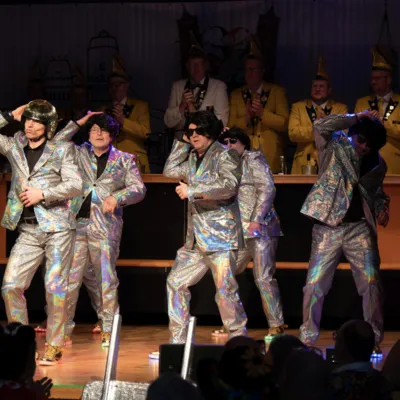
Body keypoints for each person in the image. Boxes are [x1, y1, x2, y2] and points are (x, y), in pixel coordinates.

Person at [0, 100, 95, 365]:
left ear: (49, 126)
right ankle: (22, 344)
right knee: (11, 285)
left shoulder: (62, 149)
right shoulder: (14, 145)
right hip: (28, 230)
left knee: (54, 288)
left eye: (37, 121)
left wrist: (43, 193)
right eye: (28, 120)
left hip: (58, 228)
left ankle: (54, 345)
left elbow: (76, 184)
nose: (30, 125)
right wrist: (9, 115)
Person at [299, 111, 389, 355]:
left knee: (371, 283)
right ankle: (307, 339)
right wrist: (356, 116)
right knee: (315, 284)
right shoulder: (334, 143)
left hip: (359, 228)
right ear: (353, 134)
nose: (363, 147)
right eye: (361, 140)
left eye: (369, 145)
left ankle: (373, 338)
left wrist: (382, 207)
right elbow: (320, 124)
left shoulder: (378, 163)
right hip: (328, 226)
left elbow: (376, 193)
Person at [53, 113, 146, 346]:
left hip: (105, 226)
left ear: (112, 135)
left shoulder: (125, 159)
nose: (98, 133)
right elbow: (56, 142)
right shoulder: (78, 153)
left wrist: (118, 196)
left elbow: (138, 189)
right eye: (94, 129)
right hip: (75, 224)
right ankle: (62, 331)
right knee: (69, 279)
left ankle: (108, 328)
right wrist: (80, 122)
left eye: (103, 130)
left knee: (106, 279)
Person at [161, 110, 247, 350]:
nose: (194, 135)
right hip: (195, 240)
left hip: (220, 237)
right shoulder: (191, 157)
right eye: (190, 132)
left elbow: (229, 186)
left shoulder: (226, 154)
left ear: (210, 132)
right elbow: (169, 170)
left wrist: (192, 191)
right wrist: (181, 141)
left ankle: (238, 341)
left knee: (225, 291)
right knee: (175, 282)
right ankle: (178, 343)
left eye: (199, 131)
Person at [212, 127, 285, 338]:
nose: (229, 146)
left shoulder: (254, 160)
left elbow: (267, 189)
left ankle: (276, 324)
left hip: (261, 229)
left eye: (233, 141)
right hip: (238, 231)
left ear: (244, 143)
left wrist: (256, 219)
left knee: (263, 277)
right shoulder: (225, 164)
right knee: (224, 275)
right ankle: (233, 323)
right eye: (225, 142)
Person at [229, 37, 289, 173]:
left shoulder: (276, 92)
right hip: (243, 156)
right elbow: (230, 127)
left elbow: (284, 124)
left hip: (270, 156)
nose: (249, 73)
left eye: (253, 69)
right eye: (247, 69)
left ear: (262, 71)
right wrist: (246, 118)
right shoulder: (236, 94)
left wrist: (262, 114)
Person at [289, 56, 348, 174]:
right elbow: (293, 133)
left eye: (321, 86)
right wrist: (316, 128)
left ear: (329, 90)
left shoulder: (340, 108)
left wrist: (325, 126)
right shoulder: (298, 107)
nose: (317, 89)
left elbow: (344, 134)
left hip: (331, 163)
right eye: (315, 86)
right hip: (303, 164)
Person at [164, 33, 229, 130]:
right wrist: (182, 106)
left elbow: (222, 122)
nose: (196, 68)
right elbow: (168, 122)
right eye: (193, 64)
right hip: (182, 138)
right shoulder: (177, 87)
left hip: (206, 138)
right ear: (187, 67)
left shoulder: (218, 87)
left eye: (199, 64)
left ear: (205, 66)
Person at [101, 54, 151, 173]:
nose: (115, 88)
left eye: (118, 84)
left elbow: (146, 132)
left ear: (127, 85)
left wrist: (123, 121)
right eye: (112, 85)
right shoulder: (102, 109)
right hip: (110, 164)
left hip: (135, 161)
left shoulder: (140, 106)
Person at [355, 46, 400, 174]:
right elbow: (355, 132)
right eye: (372, 78)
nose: (373, 82)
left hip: (395, 166)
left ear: (388, 80)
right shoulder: (362, 103)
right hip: (367, 166)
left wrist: (384, 124)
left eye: (377, 78)